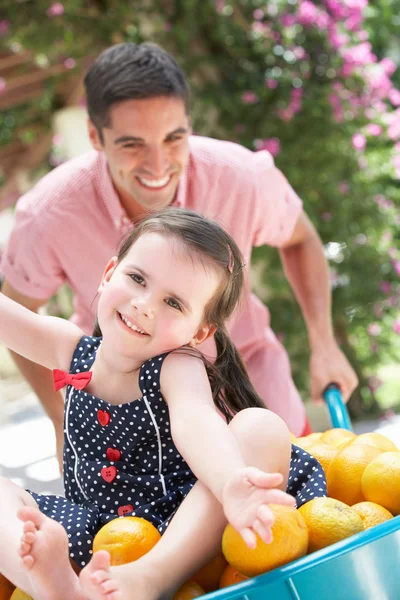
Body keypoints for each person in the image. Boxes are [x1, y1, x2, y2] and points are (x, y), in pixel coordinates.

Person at [0, 43, 357, 466]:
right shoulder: (50, 213)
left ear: (189, 125)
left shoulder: (241, 177)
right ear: (95, 137)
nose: (158, 165)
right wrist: (62, 420)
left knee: (294, 503)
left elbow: (300, 239)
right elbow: (19, 313)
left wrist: (324, 343)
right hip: (123, 404)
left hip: (247, 382)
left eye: (174, 138)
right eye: (132, 144)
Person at [0, 209, 327, 600]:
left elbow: (196, 423)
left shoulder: (176, 366)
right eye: (137, 279)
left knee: (260, 427)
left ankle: (150, 579)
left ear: (199, 331)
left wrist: (229, 483)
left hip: (184, 529)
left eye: (174, 302)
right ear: (108, 275)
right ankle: (54, 587)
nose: (144, 305)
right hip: (99, 535)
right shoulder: (68, 347)